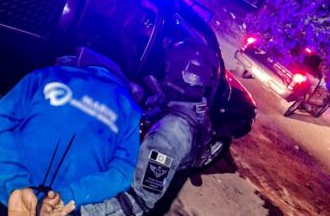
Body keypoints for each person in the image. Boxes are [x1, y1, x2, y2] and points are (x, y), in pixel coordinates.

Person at [40, 40, 219, 215]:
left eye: (170, 68)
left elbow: (139, 201)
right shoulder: (197, 108)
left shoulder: (170, 134)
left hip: (114, 194)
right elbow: (158, 103)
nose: (165, 72)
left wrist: (80, 211)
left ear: (182, 74)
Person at [0, 47, 142, 216]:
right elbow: (121, 173)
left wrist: (16, 183)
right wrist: (69, 196)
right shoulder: (131, 112)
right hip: (60, 210)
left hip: (9, 199)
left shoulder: (46, 75)